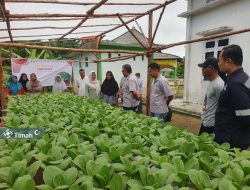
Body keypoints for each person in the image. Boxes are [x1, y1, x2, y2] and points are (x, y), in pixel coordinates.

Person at [215, 44, 250, 150]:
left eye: (220, 59)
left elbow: (245, 115)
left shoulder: (235, 84)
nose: (218, 63)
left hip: (231, 140)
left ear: (228, 61)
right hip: (233, 136)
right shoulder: (242, 77)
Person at [198, 57, 224, 135]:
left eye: (204, 67)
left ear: (211, 68)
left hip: (211, 124)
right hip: (206, 121)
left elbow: (222, 106)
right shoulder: (212, 82)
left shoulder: (218, 85)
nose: (202, 69)